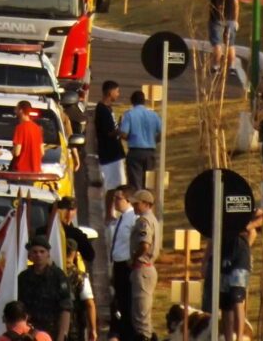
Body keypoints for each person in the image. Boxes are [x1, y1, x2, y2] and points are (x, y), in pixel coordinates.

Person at [17, 235, 73, 341]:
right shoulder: (23, 277)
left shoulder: (58, 276)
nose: (38, 255)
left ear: (48, 254)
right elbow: (19, 307)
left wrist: (62, 335)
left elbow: (66, 308)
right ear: (30, 255)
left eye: (42, 251)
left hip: (52, 331)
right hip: (29, 333)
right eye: (35, 252)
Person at [129, 189, 160, 341]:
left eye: (137, 203)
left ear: (146, 204)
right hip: (146, 269)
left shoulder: (144, 221)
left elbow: (145, 245)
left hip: (143, 268)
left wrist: (134, 258)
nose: (133, 205)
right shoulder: (152, 219)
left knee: (141, 316)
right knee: (143, 314)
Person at [108, 186, 137, 341]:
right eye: (114, 199)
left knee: (126, 301)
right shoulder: (121, 217)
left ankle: (127, 333)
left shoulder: (133, 218)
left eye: (118, 199)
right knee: (118, 299)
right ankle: (119, 330)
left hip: (126, 265)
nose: (115, 202)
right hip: (117, 264)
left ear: (128, 200)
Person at [119, 90, 162, 191]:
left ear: (132, 102)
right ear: (144, 101)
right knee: (149, 183)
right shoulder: (154, 115)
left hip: (135, 152)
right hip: (150, 152)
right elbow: (162, 132)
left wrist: (130, 138)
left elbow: (124, 133)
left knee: (135, 183)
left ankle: (137, 203)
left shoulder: (129, 115)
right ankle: (147, 203)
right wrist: (153, 140)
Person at [95, 80, 127, 194]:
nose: (118, 94)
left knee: (119, 185)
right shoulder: (102, 110)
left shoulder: (108, 108)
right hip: (109, 155)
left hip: (115, 153)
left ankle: (113, 210)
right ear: (110, 92)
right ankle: (109, 211)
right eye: (117, 91)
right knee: (112, 187)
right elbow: (108, 132)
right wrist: (121, 132)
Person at [204, 0, 238, 73]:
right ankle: (232, 67)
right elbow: (236, 4)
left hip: (216, 18)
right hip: (231, 18)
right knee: (230, 44)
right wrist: (236, 19)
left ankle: (216, 66)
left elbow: (206, 0)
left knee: (217, 44)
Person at [11, 100, 44, 173]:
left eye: (16, 109)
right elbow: (42, 152)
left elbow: (17, 152)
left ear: (21, 110)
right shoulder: (37, 128)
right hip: (34, 171)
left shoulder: (20, 128)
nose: (15, 111)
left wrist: (12, 151)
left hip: (20, 171)